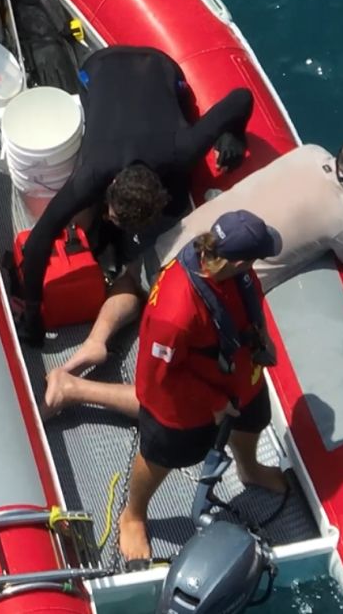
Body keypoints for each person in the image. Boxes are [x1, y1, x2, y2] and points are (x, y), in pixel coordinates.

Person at [52, 132, 343, 378]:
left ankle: (96, 339)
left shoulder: (310, 153)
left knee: (133, 277)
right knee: (174, 398)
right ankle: (77, 389)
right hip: (207, 293)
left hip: (179, 247)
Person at [16, 44, 254, 345]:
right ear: (110, 186)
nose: (109, 217)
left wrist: (235, 133)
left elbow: (242, 98)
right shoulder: (93, 173)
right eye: (112, 215)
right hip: (99, 68)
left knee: (180, 200)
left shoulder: (183, 152)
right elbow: (39, 239)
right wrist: (33, 312)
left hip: (156, 69)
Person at [117, 210, 287, 564]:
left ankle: (249, 468)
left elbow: (249, 305)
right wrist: (213, 401)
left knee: (253, 419)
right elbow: (158, 377)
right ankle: (133, 514)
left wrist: (263, 342)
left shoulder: (234, 270)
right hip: (183, 401)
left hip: (242, 373)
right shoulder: (175, 312)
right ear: (239, 259)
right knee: (163, 456)